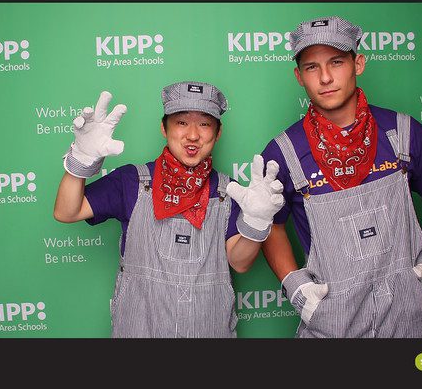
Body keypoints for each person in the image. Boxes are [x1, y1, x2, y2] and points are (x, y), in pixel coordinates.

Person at [260, 16, 422, 338]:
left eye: (336, 62)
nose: (325, 77)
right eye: (311, 67)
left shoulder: (403, 132)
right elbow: (272, 225)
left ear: (358, 64)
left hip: (410, 319)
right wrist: (295, 285)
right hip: (332, 323)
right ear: (299, 76)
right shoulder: (284, 151)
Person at [54, 81, 284, 338]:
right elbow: (66, 212)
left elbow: (239, 263)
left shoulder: (228, 192)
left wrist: (257, 221)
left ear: (218, 133)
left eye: (205, 124)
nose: (193, 135)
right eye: (182, 122)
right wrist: (81, 161)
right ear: (164, 127)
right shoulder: (130, 182)